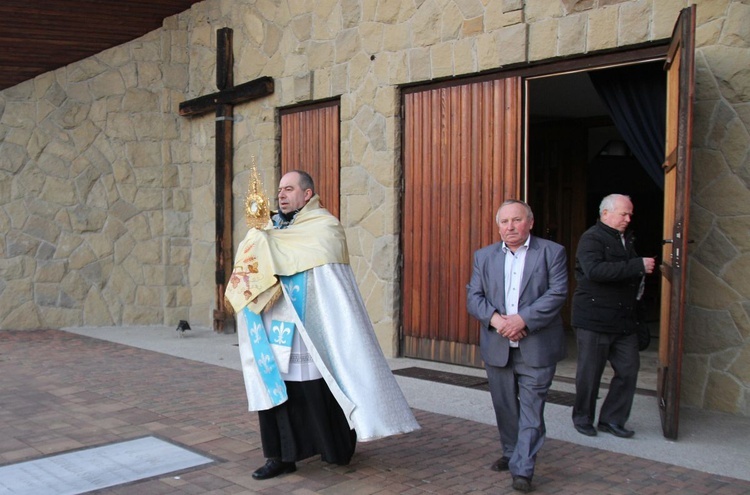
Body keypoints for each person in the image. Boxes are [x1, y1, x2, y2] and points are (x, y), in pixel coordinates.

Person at [226, 170, 419, 480]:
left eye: (289, 189)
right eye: (279, 190)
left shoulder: (324, 227)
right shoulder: (267, 230)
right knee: (277, 392)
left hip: (310, 328)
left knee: (319, 389)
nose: (282, 195)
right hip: (273, 326)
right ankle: (280, 456)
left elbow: (330, 285)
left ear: (307, 194)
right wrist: (258, 244)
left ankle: (335, 447)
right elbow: (248, 269)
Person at [466, 200, 568, 493]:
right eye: (504, 222)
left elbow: (557, 293)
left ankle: (523, 468)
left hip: (537, 345)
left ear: (530, 223)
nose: (510, 227)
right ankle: (511, 453)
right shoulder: (483, 256)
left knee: (532, 409)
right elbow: (474, 297)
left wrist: (522, 320)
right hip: (498, 345)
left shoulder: (551, 252)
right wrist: (499, 322)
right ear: (498, 226)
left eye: (516, 220)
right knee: (505, 406)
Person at [571, 193, 656, 439]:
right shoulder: (591, 238)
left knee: (629, 370)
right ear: (605, 213)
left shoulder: (625, 240)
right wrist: (637, 266)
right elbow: (594, 271)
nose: (628, 218)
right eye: (624, 213)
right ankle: (583, 418)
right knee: (590, 373)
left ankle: (612, 419)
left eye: (630, 214)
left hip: (623, 320)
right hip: (594, 319)